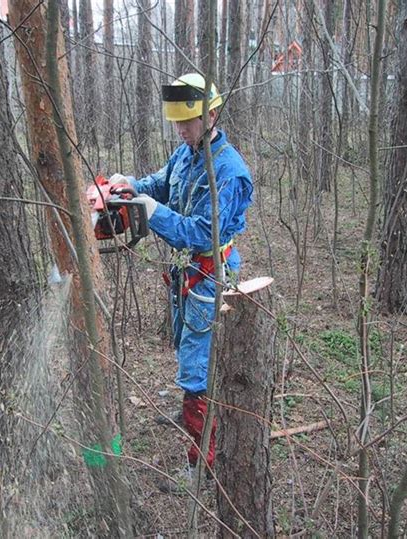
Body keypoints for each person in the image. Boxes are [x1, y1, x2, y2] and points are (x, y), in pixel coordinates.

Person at [110, 73, 253, 469]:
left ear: (212, 115)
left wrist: (153, 214)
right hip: (183, 275)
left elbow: (203, 233)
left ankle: (201, 459)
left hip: (211, 276)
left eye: (186, 123)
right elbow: (161, 182)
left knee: (196, 366)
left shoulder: (229, 172)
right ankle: (195, 418)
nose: (180, 130)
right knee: (185, 346)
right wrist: (131, 185)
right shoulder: (186, 152)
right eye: (175, 122)